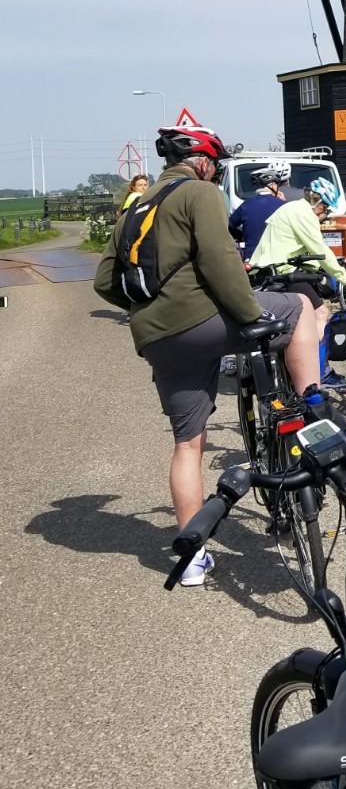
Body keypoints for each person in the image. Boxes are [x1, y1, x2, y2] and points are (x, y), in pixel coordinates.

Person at [93, 126, 322, 587]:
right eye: (215, 165)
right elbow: (220, 260)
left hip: (157, 338)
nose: (216, 173)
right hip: (204, 322)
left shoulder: (135, 206)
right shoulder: (198, 192)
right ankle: (315, 410)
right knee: (298, 308)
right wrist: (250, 313)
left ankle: (193, 560)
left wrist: (152, 313)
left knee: (187, 444)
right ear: (202, 162)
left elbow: (103, 281)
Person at [250, 178, 346, 386]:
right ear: (315, 200)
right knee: (320, 313)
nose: (325, 213)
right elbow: (320, 249)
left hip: (267, 271)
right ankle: (318, 372)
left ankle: (295, 364)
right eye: (325, 207)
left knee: (295, 317)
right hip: (283, 272)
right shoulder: (304, 214)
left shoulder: (292, 208)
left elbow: (297, 248)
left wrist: (315, 268)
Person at [228, 160, 290, 258]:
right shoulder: (283, 205)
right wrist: (285, 202)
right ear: (272, 185)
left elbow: (230, 226)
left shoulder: (246, 205)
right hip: (278, 258)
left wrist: (242, 235)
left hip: (251, 258)